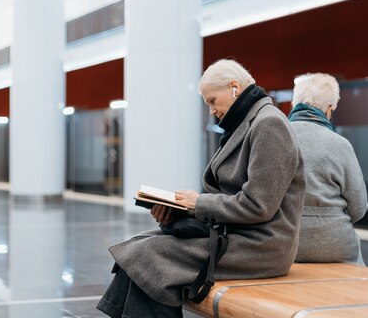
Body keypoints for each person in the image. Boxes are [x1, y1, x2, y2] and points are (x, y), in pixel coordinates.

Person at [97, 59, 306, 317]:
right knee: (138, 246)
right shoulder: (246, 123)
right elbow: (231, 198)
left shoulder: (269, 125)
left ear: (233, 88)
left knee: (148, 256)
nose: (211, 110)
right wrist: (180, 210)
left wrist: (197, 203)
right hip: (236, 235)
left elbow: (258, 205)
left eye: (212, 101)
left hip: (261, 246)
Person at [288, 73, 368, 264]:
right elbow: (359, 206)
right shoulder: (340, 145)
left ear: (294, 104)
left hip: (284, 241)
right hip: (335, 245)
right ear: (329, 109)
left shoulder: (274, 137)